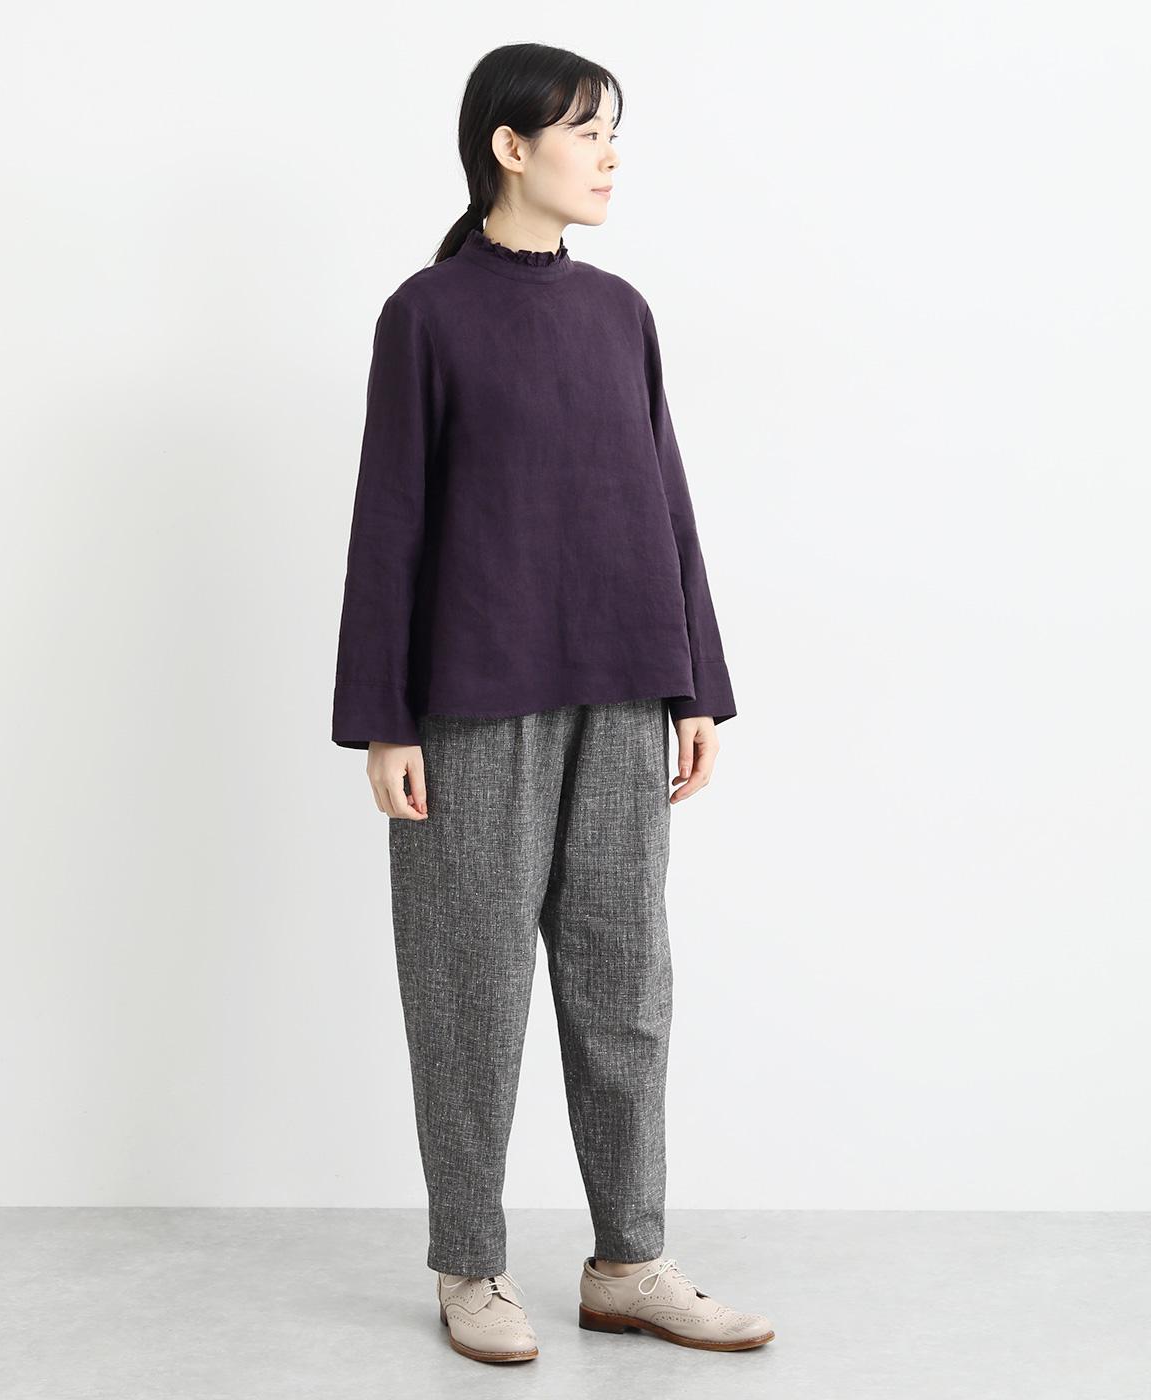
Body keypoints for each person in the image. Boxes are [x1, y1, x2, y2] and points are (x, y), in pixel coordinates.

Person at [331, 42, 775, 1364]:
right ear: (509, 147)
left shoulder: (621, 313)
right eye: (586, 130)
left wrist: (694, 684)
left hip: (625, 692)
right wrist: (385, 719)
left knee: (625, 986)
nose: (609, 153)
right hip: (474, 703)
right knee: (468, 991)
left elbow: (665, 500)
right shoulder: (427, 314)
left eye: (612, 130)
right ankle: (470, 1265)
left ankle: (629, 1261)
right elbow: (390, 522)